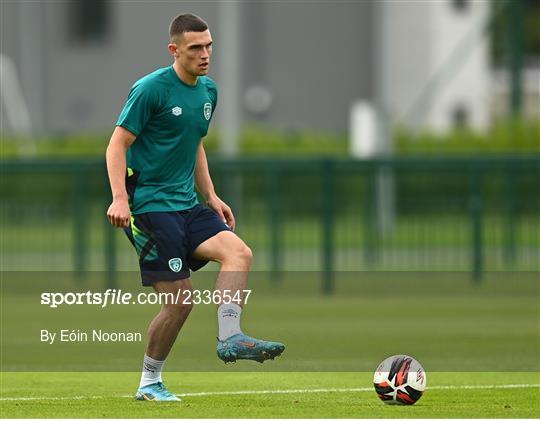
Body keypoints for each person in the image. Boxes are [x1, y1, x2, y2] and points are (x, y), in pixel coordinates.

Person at [105, 13, 284, 402]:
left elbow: (195, 144)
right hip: (151, 209)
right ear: (174, 50)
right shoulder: (150, 89)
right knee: (180, 302)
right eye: (195, 48)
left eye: (209, 47)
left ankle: (230, 337)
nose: (205, 55)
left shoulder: (208, 92)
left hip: (188, 205)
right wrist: (120, 197)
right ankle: (149, 383)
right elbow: (117, 144)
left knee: (239, 252)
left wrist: (212, 196)